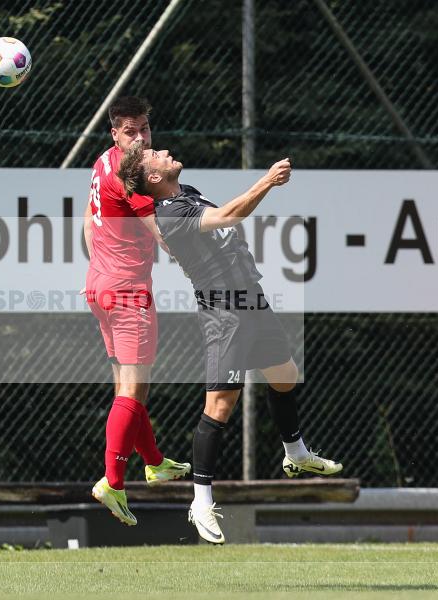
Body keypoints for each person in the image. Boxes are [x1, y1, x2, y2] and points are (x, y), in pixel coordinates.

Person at [117, 143, 343, 543]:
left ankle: (295, 453)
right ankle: (201, 500)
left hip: (250, 298)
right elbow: (229, 215)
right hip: (225, 312)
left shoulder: (184, 193)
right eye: (157, 155)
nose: (166, 151)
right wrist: (268, 181)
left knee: (285, 375)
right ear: (153, 178)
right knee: (220, 406)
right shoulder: (170, 212)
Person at [83, 97, 190, 525]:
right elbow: (160, 232)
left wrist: (103, 269)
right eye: (131, 131)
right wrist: (200, 261)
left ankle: (155, 461)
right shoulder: (133, 178)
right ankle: (113, 482)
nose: (141, 138)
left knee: (132, 389)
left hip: (100, 288)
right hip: (128, 293)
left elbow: (88, 226)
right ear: (115, 133)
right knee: (131, 391)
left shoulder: (103, 162)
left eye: (145, 129)